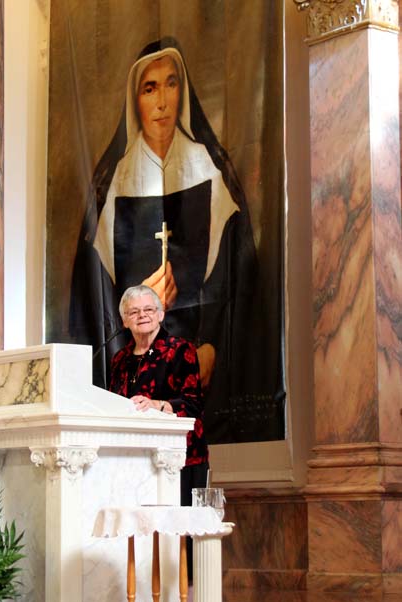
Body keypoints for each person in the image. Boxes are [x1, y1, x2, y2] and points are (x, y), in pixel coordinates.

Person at [70, 36, 257, 444]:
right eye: (149, 88)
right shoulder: (116, 181)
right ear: (135, 100)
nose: (161, 102)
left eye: (171, 84)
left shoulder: (208, 169)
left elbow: (233, 273)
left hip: (196, 359)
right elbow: (94, 293)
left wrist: (210, 345)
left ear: (183, 93)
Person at [110, 284, 208, 529]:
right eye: (134, 312)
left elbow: (193, 404)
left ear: (161, 314)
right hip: (133, 457)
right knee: (140, 531)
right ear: (124, 321)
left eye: (148, 309)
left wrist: (156, 405)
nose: (142, 315)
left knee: (180, 532)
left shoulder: (180, 350)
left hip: (179, 458)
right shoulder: (119, 359)